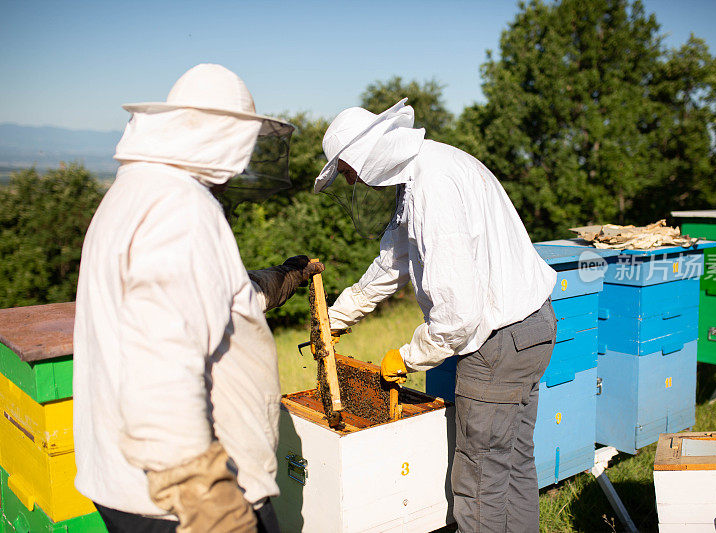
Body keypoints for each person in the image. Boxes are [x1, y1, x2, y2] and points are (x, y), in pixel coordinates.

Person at [73, 64, 322, 532]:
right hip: (182, 503)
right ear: (225, 136)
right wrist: (211, 508)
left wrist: (281, 279)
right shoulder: (182, 209)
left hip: (133, 487)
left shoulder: (134, 192)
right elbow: (160, 364)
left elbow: (203, 303)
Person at [315, 99, 558, 532]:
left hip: (498, 342)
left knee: (479, 485)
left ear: (361, 155)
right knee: (513, 466)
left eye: (346, 169)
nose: (350, 179)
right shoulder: (429, 170)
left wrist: (408, 358)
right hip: (532, 328)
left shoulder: (433, 187)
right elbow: (393, 261)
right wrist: (338, 316)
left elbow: (458, 317)